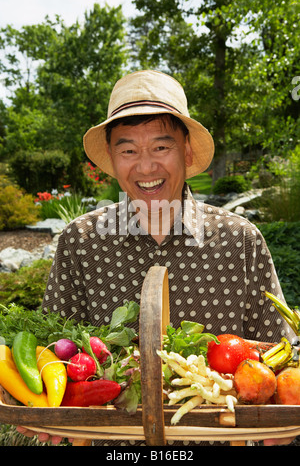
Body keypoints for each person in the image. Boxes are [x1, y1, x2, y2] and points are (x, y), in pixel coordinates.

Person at [17, 70, 294, 446]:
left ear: (187, 150)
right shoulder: (80, 242)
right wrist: (38, 406)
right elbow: (49, 353)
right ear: (112, 160)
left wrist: (278, 419)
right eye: (128, 150)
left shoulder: (239, 240)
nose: (145, 167)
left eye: (161, 147)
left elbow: (281, 356)